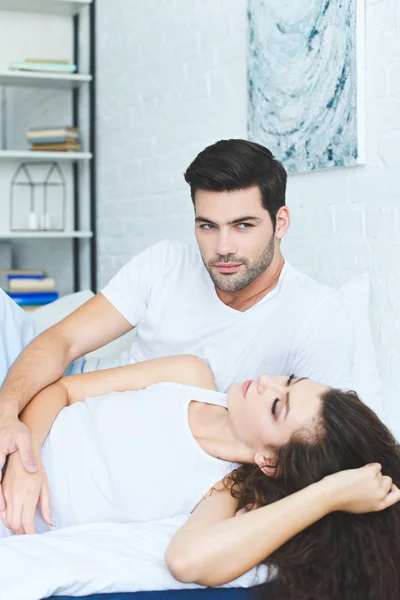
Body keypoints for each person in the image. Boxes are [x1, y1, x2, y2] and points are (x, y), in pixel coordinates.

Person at [0, 139, 354, 509]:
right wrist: (8, 417)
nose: (223, 248)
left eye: (243, 226)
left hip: (107, 437)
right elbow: (64, 341)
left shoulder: (316, 317)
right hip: (67, 384)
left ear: (280, 222)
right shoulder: (165, 264)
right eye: (207, 226)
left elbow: (320, 451)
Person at [0, 355, 399, 600]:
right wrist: (24, 461)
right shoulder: (188, 374)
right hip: (13, 447)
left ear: (269, 461)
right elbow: (63, 390)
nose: (265, 382)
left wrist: (328, 494)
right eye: (288, 380)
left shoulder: (224, 490)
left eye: (277, 405)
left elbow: (186, 560)